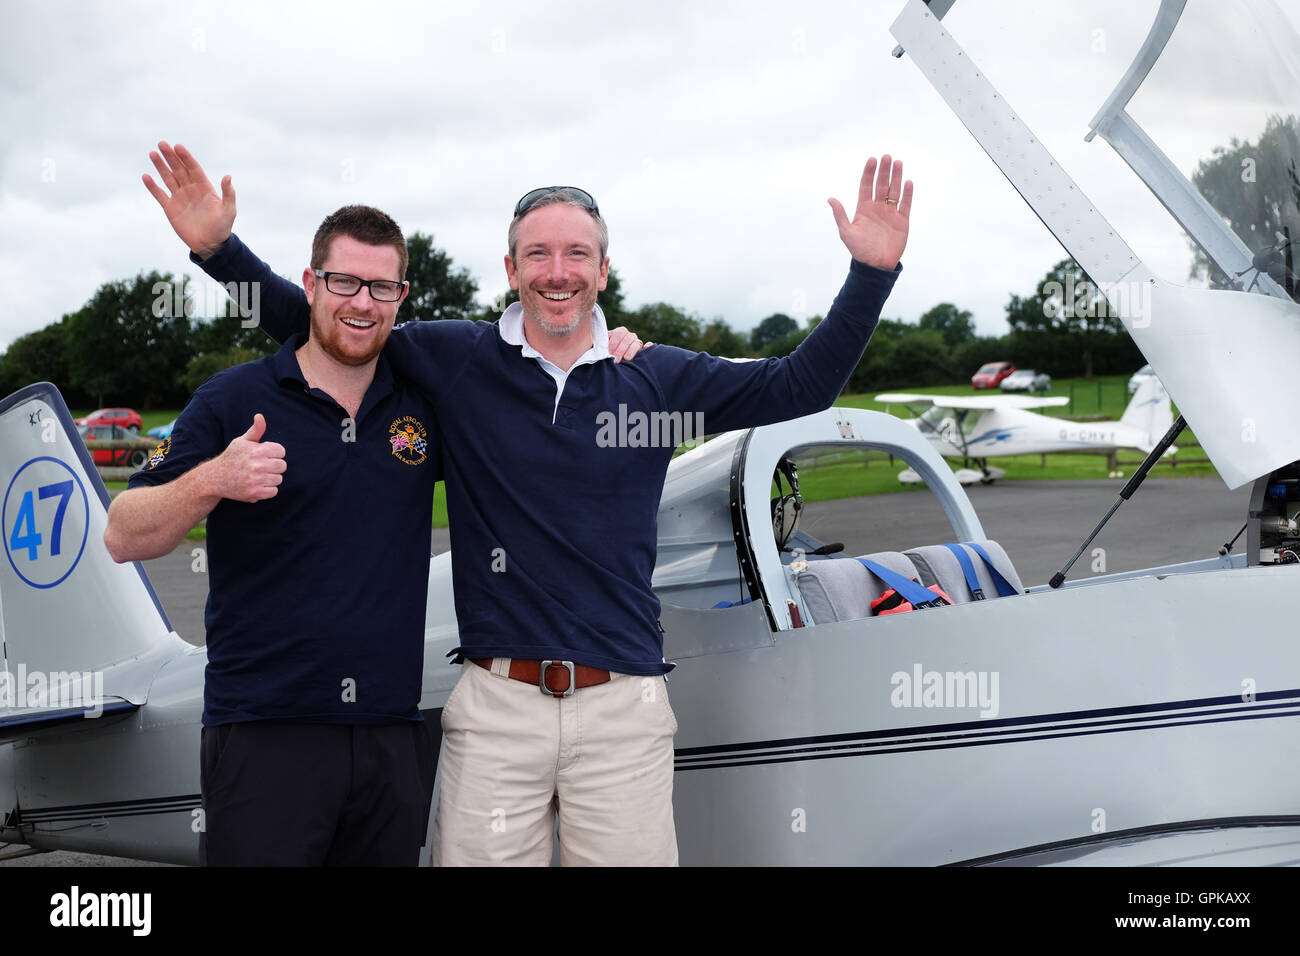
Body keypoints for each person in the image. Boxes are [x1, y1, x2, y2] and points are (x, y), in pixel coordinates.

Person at [170, 147, 913, 866]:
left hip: (624, 706)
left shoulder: (656, 380)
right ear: (511, 269)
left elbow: (795, 388)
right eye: (538, 254)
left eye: (577, 254)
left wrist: (871, 273)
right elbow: (336, 324)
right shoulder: (456, 359)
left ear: (602, 270)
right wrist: (219, 252)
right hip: (497, 707)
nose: (558, 272)